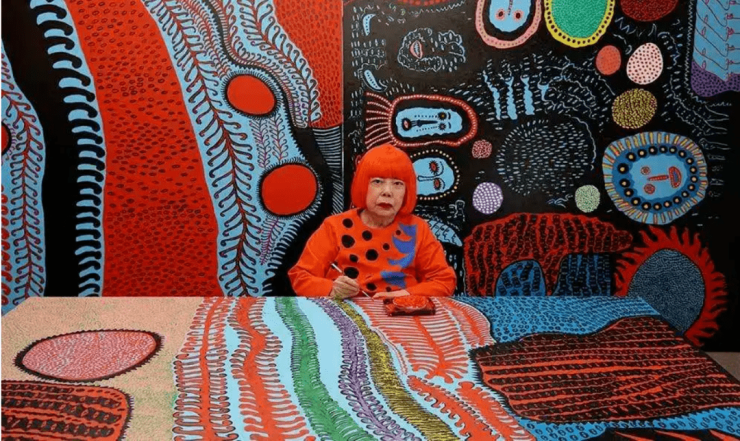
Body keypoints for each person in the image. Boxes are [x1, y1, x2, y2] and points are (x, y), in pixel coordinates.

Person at [288, 143, 456, 300]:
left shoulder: (418, 228)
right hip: (345, 311)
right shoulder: (334, 227)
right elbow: (301, 277)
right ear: (363, 186)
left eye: (397, 184)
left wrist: (404, 296)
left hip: (402, 314)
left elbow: (444, 281)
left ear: (407, 191)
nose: (387, 192)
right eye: (377, 182)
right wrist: (331, 289)